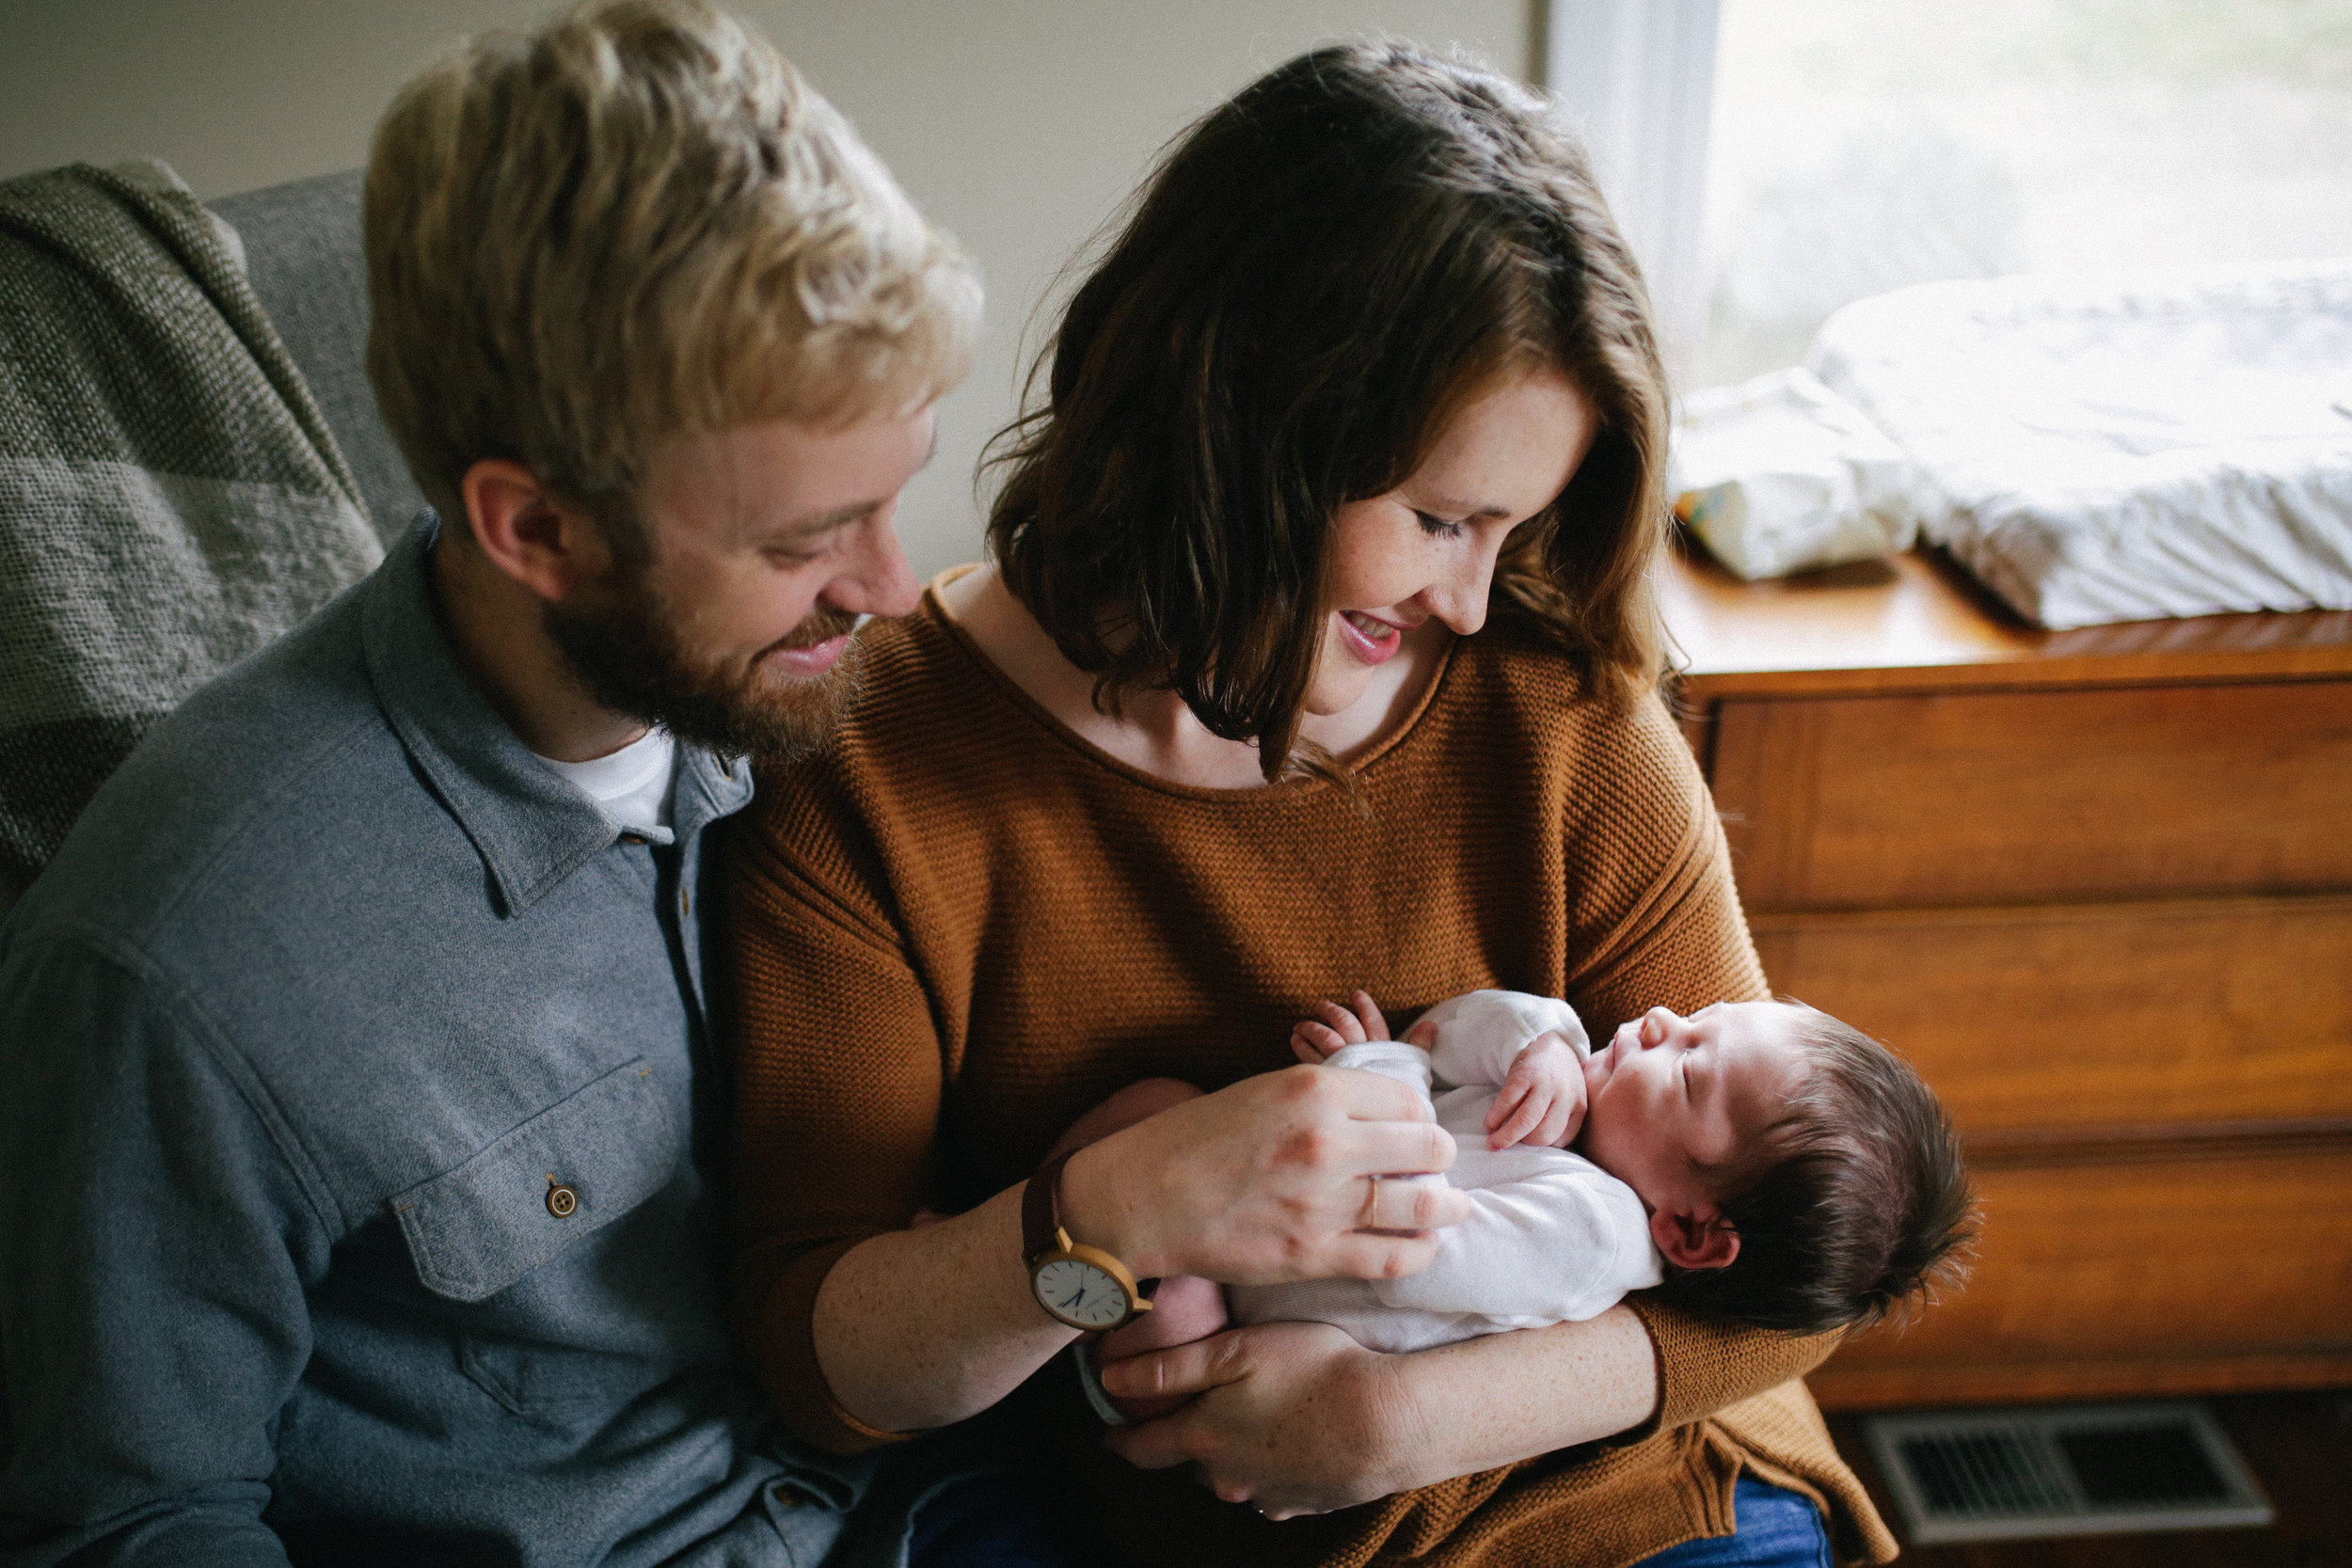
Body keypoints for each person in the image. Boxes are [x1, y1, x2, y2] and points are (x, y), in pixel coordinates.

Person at [723, 40, 1906, 1568]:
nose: (1473, 602)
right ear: (1234, 430)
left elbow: (1792, 1284)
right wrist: (1110, 1209)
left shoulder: (1558, 716)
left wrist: (1398, 1422)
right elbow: (820, 1364)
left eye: (1510, 532)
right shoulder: (870, 771)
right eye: (1436, 519)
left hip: (1626, 1500)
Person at [0, 3, 977, 1563]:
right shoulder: (181, 961)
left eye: (892, 502)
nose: (894, 592)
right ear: (534, 530)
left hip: (935, 1483)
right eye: (805, 541)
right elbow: (129, 1523)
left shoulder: (808, 699)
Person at [1189, 989, 1972, 1367]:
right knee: (1158, 1112)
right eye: (1702, 1015)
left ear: (1690, 1229)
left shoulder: (1590, 1231)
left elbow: (1405, 1248)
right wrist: (1546, 1040)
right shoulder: (1583, 1108)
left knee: (1169, 1303)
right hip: (1248, 1222)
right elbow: (1445, 1033)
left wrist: (1377, 1069)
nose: (1662, 1020)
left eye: (1690, 1069)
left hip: (1243, 1317)